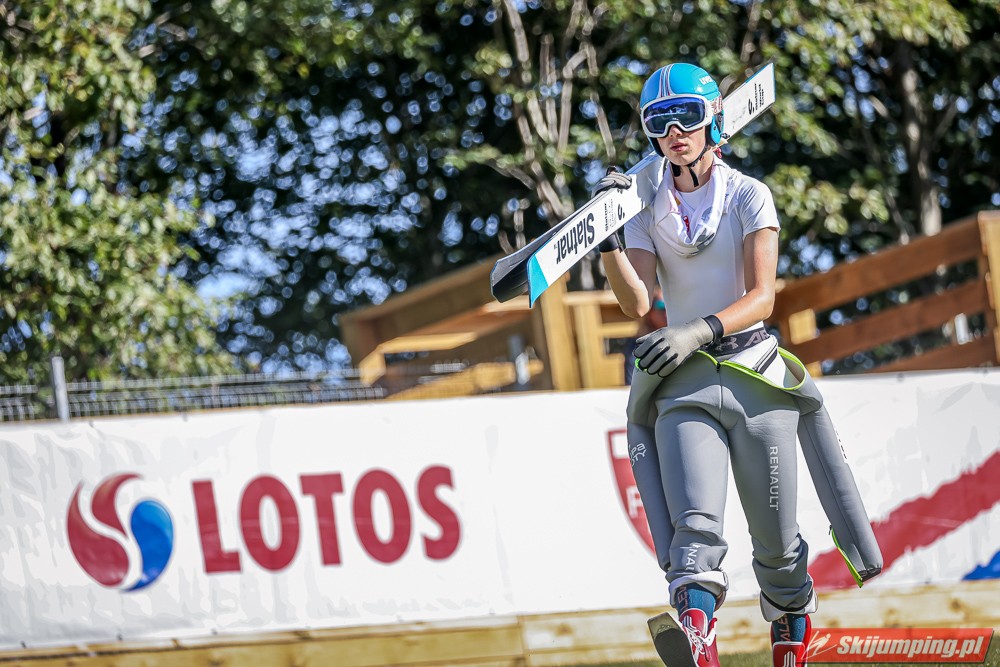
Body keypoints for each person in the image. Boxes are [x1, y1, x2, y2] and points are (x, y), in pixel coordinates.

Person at [594, 62, 819, 667]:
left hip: (755, 375)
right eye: (659, 122)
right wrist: (608, 239)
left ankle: (790, 639)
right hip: (685, 380)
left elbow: (764, 297)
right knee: (693, 536)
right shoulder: (646, 207)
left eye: (686, 117)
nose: (674, 132)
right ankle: (698, 639)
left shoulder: (749, 194)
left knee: (779, 548)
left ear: (713, 119)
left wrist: (699, 328)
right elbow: (637, 303)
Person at [623, 285, 666, 385]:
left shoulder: (683, 338)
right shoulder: (637, 347)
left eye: (669, 306)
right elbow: (631, 383)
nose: (666, 311)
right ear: (649, 312)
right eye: (661, 306)